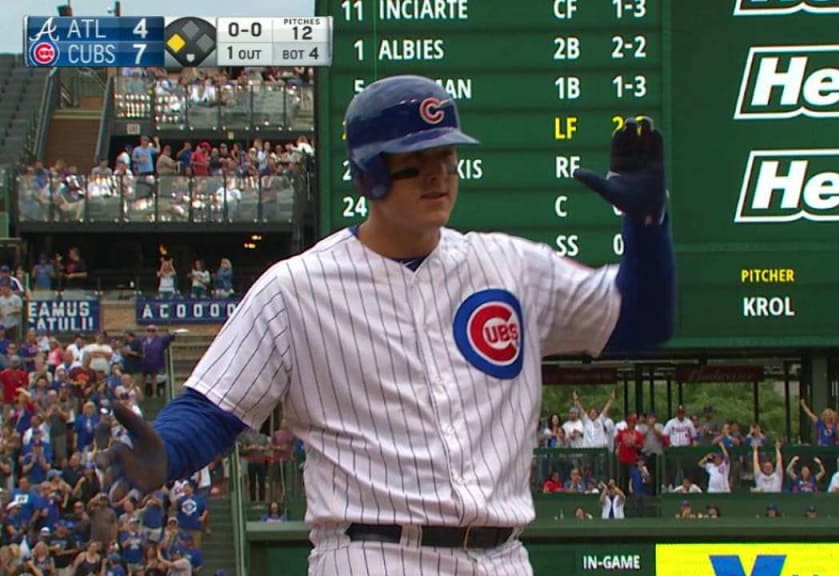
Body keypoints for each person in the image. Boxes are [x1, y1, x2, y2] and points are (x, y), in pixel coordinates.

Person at [98, 75, 674, 576]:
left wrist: (648, 224)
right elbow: (213, 408)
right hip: (374, 552)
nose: (437, 176)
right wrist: (168, 451)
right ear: (368, 174)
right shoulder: (297, 287)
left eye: (446, 158)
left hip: (502, 555)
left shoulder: (509, 265)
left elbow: (642, 323)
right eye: (414, 164)